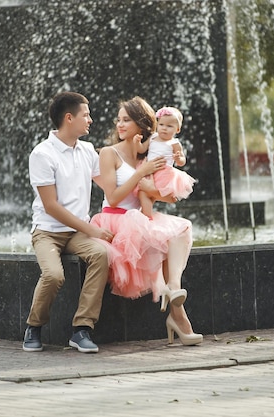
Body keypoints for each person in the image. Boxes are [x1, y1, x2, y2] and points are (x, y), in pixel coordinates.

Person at [90, 96, 202, 346]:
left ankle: (173, 289)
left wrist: (153, 187)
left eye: (126, 120)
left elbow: (169, 197)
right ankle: (179, 319)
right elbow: (114, 198)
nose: (120, 125)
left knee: (182, 228)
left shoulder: (147, 155)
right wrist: (141, 175)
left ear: (141, 125)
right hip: (115, 219)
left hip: (138, 218)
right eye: (118, 120)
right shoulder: (109, 153)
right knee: (152, 233)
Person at [22, 92, 115, 354]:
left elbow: (109, 184)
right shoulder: (42, 153)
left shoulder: (87, 150)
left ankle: (82, 329)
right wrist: (93, 229)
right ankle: (34, 326)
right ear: (69, 118)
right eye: (86, 115)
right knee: (53, 275)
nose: (91, 120)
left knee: (100, 254)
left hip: (77, 233)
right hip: (48, 233)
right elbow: (51, 206)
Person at [137, 106, 195, 219]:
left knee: (156, 194)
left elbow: (182, 162)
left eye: (169, 126)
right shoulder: (153, 137)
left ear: (177, 129)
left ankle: (149, 215)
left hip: (164, 174)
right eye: (161, 125)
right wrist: (137, 143)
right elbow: (142, 149)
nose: (164, 128)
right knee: (142, 193)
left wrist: (178, 158)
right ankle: (147, 216)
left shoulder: (174, 143)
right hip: (149, 171)